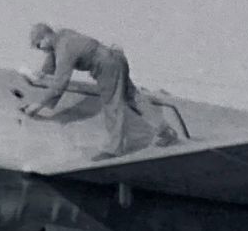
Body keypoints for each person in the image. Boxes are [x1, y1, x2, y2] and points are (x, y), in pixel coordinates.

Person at [21, 23, 173, 160]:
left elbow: (60, 84)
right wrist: (43, 72)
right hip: (116, 58)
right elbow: (53, 56)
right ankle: (165, 131)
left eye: (38, 45)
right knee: (133, 97)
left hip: (106, 66)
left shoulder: (64, 48)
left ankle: (114, 149)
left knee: (112, 104)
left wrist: (37, 106)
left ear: (46, 37)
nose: (40, 50)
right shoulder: (63, 35)